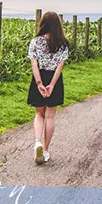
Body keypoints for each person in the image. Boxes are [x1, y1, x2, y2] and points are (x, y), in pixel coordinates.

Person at [27, 11, 69, 164]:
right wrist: (51, 84)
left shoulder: (35, 42)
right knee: (50, 116)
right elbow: (60, 67)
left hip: (39, 76)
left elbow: (34, 64)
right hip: (54, 79)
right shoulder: (63, 44)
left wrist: (39, 83)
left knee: (39, 114)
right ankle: (44, 151)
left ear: (43, 24)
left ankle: (37, 142)